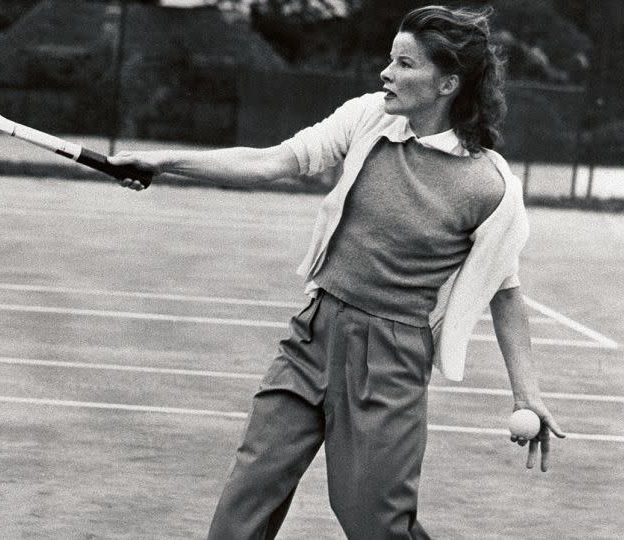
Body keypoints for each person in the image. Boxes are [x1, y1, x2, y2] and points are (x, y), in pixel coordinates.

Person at [108, 5, 566, 539]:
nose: (386, 73)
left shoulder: (489, 186)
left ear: (448, 83)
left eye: (404, 64)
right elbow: (270, 162)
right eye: (390, 59)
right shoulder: (369, 117)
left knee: (373, 521)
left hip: (390, 358)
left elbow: (506, 294)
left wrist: (526, 393)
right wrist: (161, 163)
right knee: (248, 494)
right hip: (314, 332)